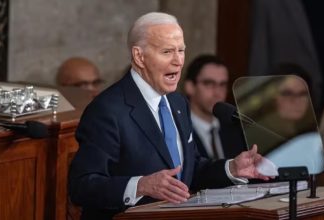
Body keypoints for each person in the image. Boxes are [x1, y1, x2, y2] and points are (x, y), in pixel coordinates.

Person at [68, 12, 268, 220]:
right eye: (167, 52)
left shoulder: (177, 102)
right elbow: (82, 186)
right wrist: (141, 186)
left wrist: (232, 168)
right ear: (139, 56)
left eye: (181, 51)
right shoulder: (107, 110)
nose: (178, 61)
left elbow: (189, 171)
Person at [183, 54, 246, 159]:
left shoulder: (235, 130)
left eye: (222, 85)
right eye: (209, 83)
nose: (217, 92)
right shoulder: (178, 130)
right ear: (190, 87)